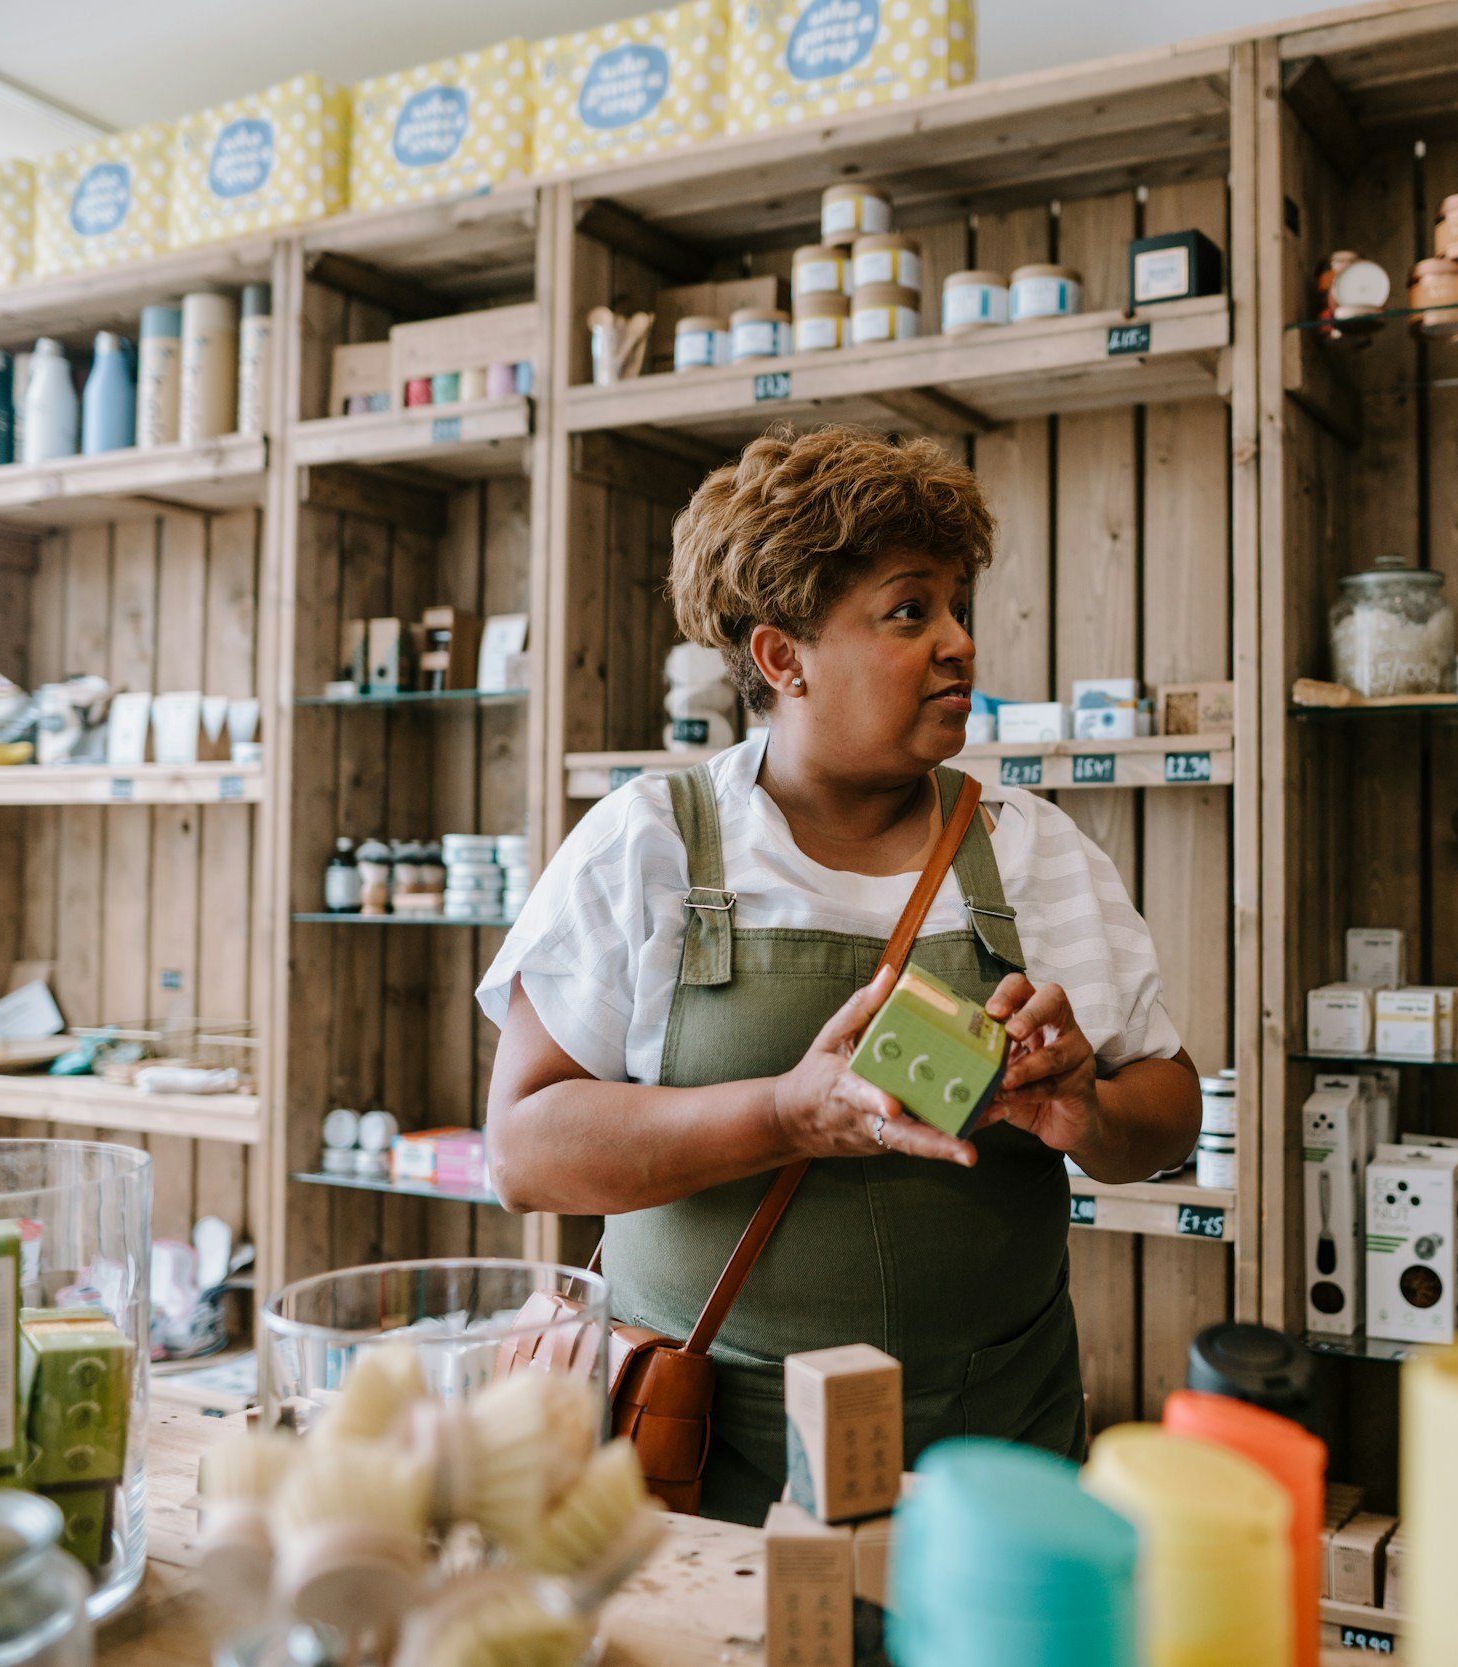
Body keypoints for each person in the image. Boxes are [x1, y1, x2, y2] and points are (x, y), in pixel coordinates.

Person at [479, 425, 1202, 1523]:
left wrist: (1084, 1105)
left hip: (990, 1458)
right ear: (783, 657)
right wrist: (785, 1112)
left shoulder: (1030, 847)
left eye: (959, 605)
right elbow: (525, 1149)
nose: (958, 642)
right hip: (706, 1458)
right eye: (910, 610)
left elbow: (1173, 1110)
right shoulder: (650, 846)